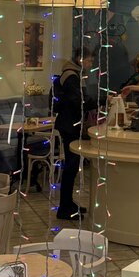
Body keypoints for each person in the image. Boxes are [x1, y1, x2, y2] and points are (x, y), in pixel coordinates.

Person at [52, 47, 96, 220]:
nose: (90, 64)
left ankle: (68, 203)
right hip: (70, 125)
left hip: (69, 124)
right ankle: (64, 208)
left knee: (72, 165)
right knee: (71, 166)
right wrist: (101, 100)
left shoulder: (72, 74)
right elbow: (79, 101)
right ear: (80, 59)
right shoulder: (71, 76)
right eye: (89, 61)